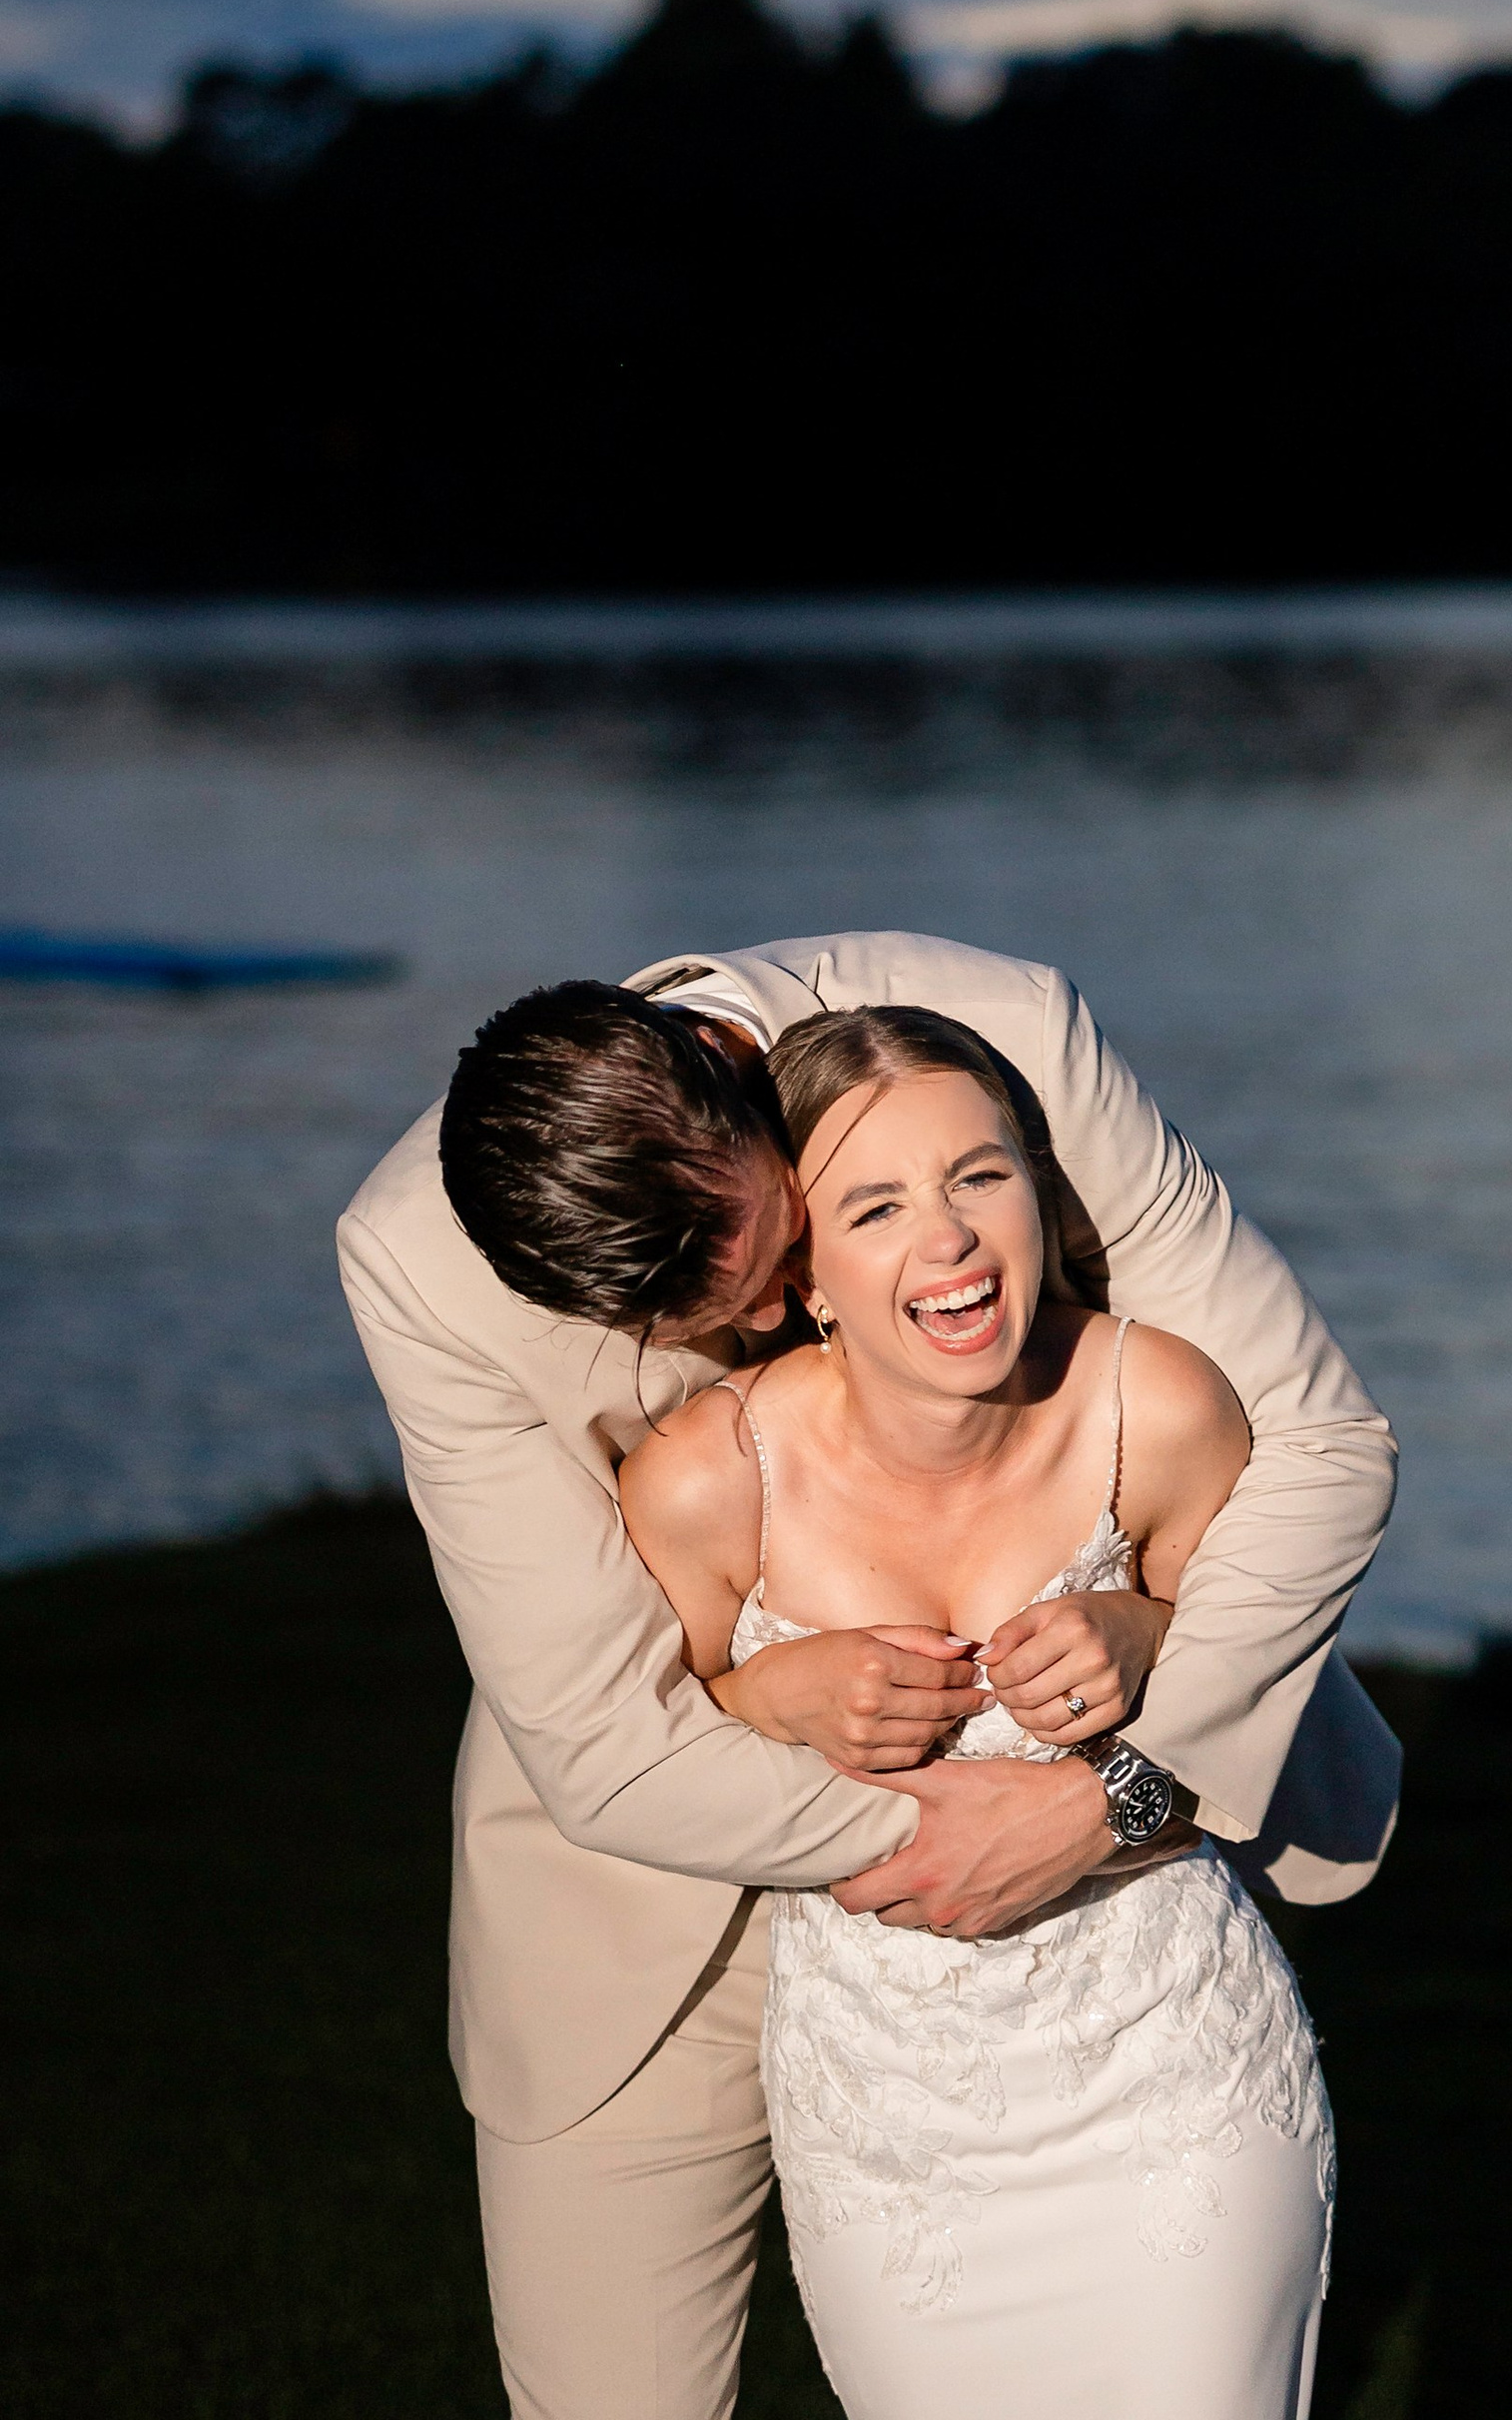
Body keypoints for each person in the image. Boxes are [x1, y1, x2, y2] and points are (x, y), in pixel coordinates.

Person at [337, 928, 1398, 2420]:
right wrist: (811, 1743)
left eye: (770, 1265)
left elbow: (1319, 1445)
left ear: (733, 1074)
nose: (769, 1328)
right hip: (643, 1907)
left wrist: (1116, 1782)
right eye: (693, 1327)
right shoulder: (415, 1263)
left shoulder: (997, 1038)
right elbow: (598, 1737)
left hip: (1117, 1911)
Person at [622, 1003, 1333, 2418]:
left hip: (1174, 2078)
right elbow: (636, 1752)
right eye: (876, 1204)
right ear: (803, 1271)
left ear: (1038, 1193)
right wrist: (763, 1689)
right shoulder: (710, 1483)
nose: (947, 1237)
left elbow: (1266, 1727)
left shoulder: (1158, 1407)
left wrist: (1155, 1629)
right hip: (886, 2134)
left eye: (980, 1174)